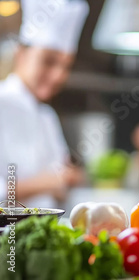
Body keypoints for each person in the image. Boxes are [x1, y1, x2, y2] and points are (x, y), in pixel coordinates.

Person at [0, 0, 89, 208]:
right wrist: (49, 182)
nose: (59, 76)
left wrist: (64, 180)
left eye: (66, 66)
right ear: (20, 54)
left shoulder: (46, 116)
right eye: (48, 61)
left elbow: (64, 182)